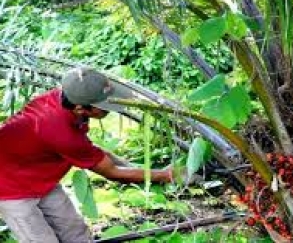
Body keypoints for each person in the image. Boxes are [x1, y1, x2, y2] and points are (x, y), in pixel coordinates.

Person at [0, 67, 173, 243]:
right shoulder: (59, 132)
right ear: (81, 108)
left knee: (75, 233)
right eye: (104, 106)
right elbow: (112, 172)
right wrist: (166, 175)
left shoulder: (67, 98)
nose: (110, 109)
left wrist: (137, 169)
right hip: (9, 189)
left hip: (38, 176)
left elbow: (93, 152)